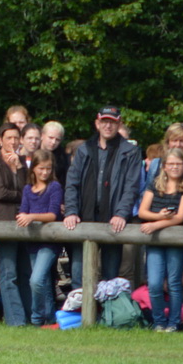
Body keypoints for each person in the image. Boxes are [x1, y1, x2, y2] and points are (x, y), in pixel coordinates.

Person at [62, 106, 143, 284]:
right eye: (104, 121)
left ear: (119, 123)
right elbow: (72, 183)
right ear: (97, 123)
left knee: (110, 278)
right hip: (84, 219)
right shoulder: (84, 149)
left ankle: (107, 313)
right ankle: (80, 312)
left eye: (112, 122)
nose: (108, 126)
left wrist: (121, 214)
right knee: (79, 275)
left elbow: (131, 187)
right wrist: (71, 211)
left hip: (113, 222)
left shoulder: (131, 152)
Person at [136, 148, 183, 331]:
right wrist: (159, 215)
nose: (175, 167)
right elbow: (142, 211)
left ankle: (174, 323)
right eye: (171, 164)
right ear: (164, 166)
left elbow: (180, 217)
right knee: (154, 282)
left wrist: (156, 224)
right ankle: (159, 321)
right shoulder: (155, 184)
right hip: (155, 242)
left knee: (175, 282)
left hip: (175, 240)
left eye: (178, 164)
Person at [0, 122, 29, 325]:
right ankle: (15, 320)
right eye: (9, 137)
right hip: (3, 223)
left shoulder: (21, 162)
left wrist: (18, 168)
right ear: (0, 140)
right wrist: (21, 195)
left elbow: (29, 190)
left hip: (23, 223)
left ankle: (28, 317)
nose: (13, 141)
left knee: (24, 272)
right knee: (8, 272)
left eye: (16, 138)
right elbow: (0, 192)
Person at [15, 151, 65, 326]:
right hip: (32, 241)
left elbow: (53, 214)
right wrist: (23, 216)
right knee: (43, 282)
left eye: (48, 169)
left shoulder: (54, 187)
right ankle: (50, 318)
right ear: (34, 169)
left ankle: (36, 318)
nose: (45, 172)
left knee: (35, 280)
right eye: (41, 168)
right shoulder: (28, 189)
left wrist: (31, 217)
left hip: (50, 242)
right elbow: (23, 209)